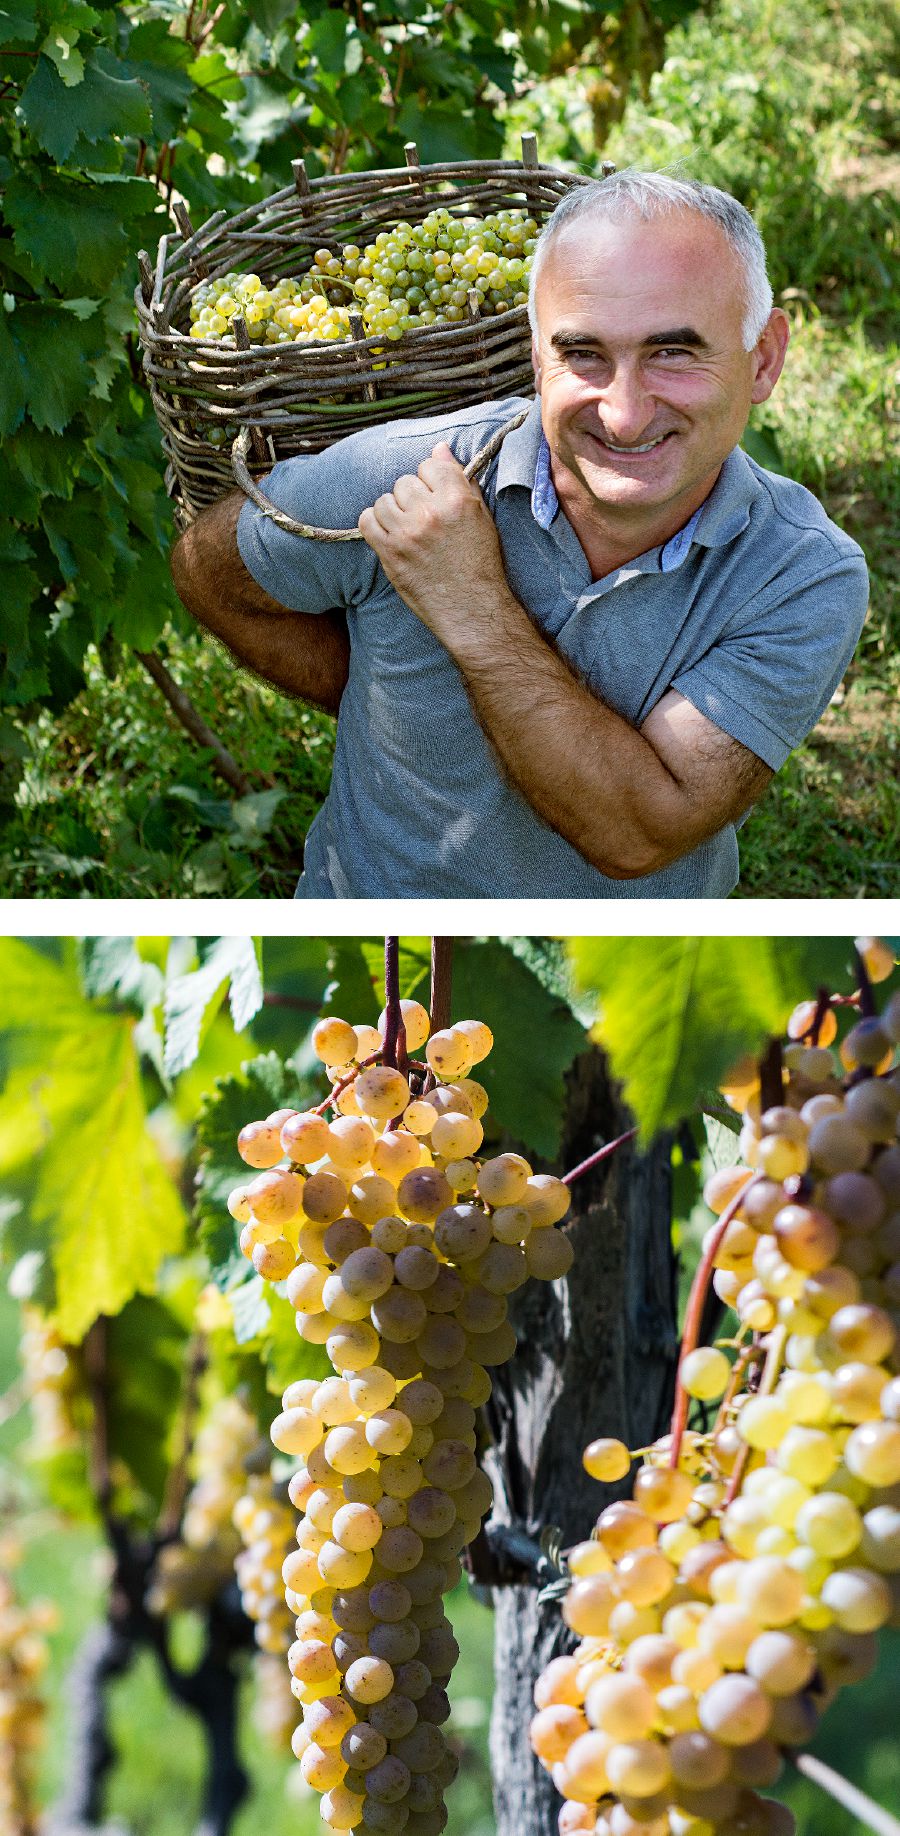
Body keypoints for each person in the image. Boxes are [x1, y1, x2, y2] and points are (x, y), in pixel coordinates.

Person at [170, 170, 868, 898]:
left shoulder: (800, 575)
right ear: (537, 357)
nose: (624, 414)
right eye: (584, 354)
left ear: (763, 359)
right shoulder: (407, 474)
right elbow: (206, 571)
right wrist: (368, 701)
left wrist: (471, 610)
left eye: (673, 353)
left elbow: (639, 834)